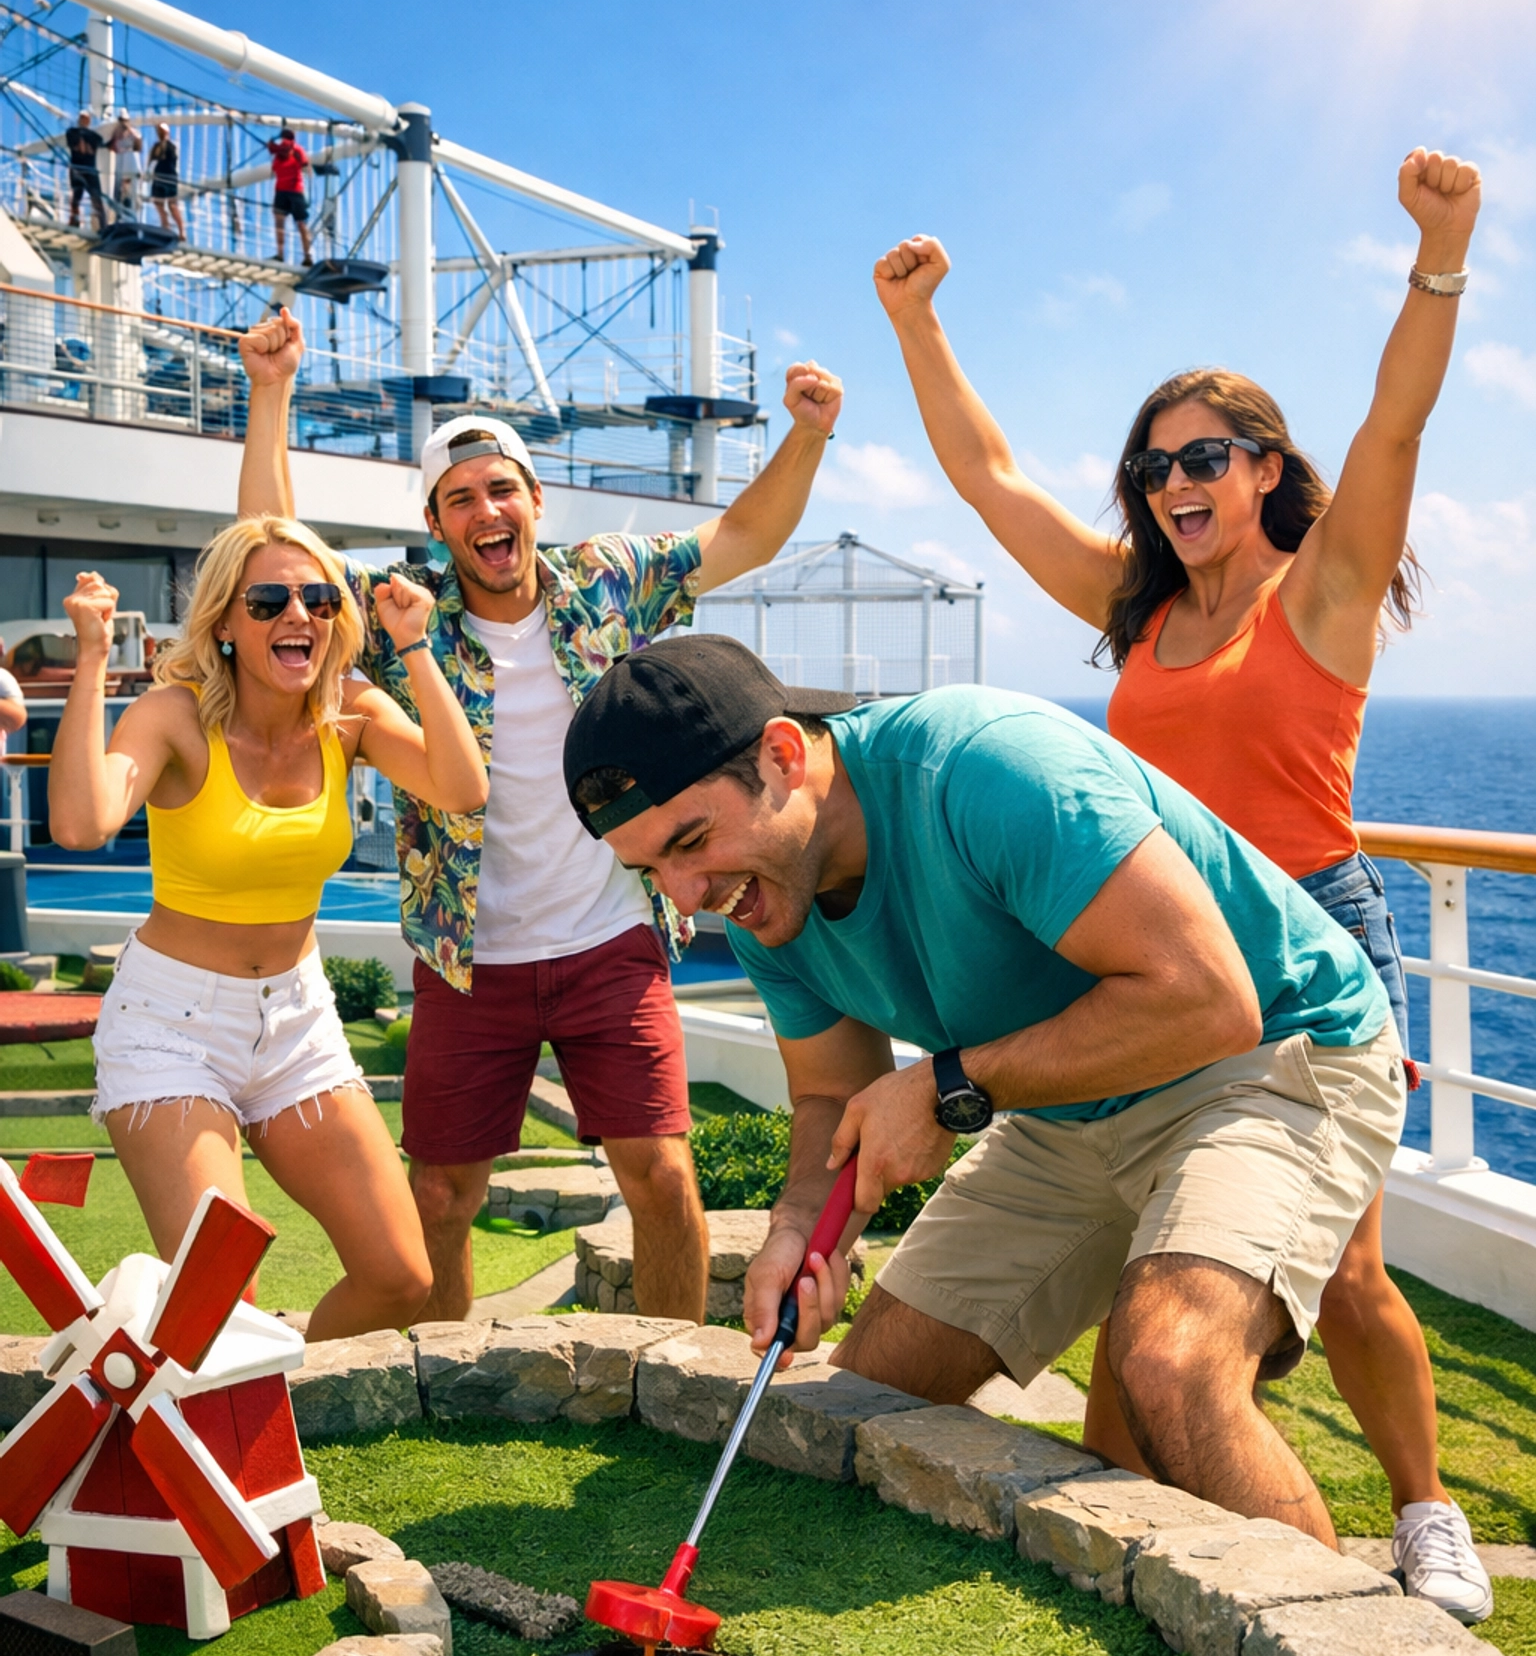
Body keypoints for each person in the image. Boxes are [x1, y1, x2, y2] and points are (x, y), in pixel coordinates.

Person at [869, 146, 1491, 1620]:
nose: (1172, 485)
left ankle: (1425, 1512)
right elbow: (987, 477)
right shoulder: (1135, 612)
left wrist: (1444, 250)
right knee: (1163, 1302)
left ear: (1266, 468)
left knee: (1346, 1280)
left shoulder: (1322, 595)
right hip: (1160, 958)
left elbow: (1397, 423)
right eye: (1153, 468)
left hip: (1312, 956)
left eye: (1203, 457)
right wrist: (918, 323)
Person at [565, 634, 1407, 1547]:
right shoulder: (765, 894)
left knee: (1170, 1366)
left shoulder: (983, 767)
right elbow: (829, 1097)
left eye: (692, 842)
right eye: (651, 870)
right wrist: (801, 1227)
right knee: (868, 1391)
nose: (687, 897)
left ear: (782, 754)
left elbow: (1210, 1001)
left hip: (1272, 1057)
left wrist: (950, 1085)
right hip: (1068, 1106)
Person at [237, 309, 843, 1326]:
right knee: (441, 1195)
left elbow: (743, 536)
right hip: (471, 956)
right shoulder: (398, 616)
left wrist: (808, 434)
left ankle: (664, 1371)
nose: (487, 509)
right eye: (461, 497)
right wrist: (270, 393)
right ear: (438, 523)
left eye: (502, 488)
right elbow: (270, 555)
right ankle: (439, 1378)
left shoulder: (606, 580)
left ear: (534, 500)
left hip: (611, 939)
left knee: (659, 1176)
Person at [47, 520, 488, 1342]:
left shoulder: (350, 712)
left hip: (296, 1019)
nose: (302, 614)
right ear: (223, 622)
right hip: (170, 1028)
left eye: (320, 598)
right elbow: (80, 821)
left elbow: (461, 789)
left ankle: (269, 1407)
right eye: (270, 599)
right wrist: (94, 658)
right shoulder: (173, 716)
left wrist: (416, 647)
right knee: (226, 1299)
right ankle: (239, 1426)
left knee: (401, 1275)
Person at [267, 126, 313, 265]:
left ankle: (281, 254)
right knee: (301, 224)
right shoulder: (296, 149)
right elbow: (305, 165)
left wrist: (273, 140)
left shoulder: (278, 150)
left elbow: (273, 161)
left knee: (280, 223)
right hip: (295, 191)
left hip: (282, 190)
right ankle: (307, 256)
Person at [65, 112, 106, 233]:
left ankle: (103, 225)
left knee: (96, 198)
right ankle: (74, 221)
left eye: (86, 118)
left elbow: (88, 147)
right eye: (82, 118)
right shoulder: (72, 132)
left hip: (88, 169)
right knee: (76, 197)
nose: (83, 120)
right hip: (78, 168)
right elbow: (81, 148)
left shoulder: (93, 136)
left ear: (89, 121)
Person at [148, 123, 185, 242]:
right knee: (159, 203)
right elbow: (152, 159)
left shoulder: (169, 147)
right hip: (160, 177)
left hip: (167, 177)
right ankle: (166, 225)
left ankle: (181, 231)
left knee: (172, 205)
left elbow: (162, 157)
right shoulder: (158, 146)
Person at [104, 113, 142, 214]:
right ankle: (119, 213)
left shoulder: (133, 134)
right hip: (121, 165)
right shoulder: (116, 134)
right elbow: (111, 146)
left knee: (131, 192)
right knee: (120, 192)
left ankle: (131, 213)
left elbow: (138, 147)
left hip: (129, 164)